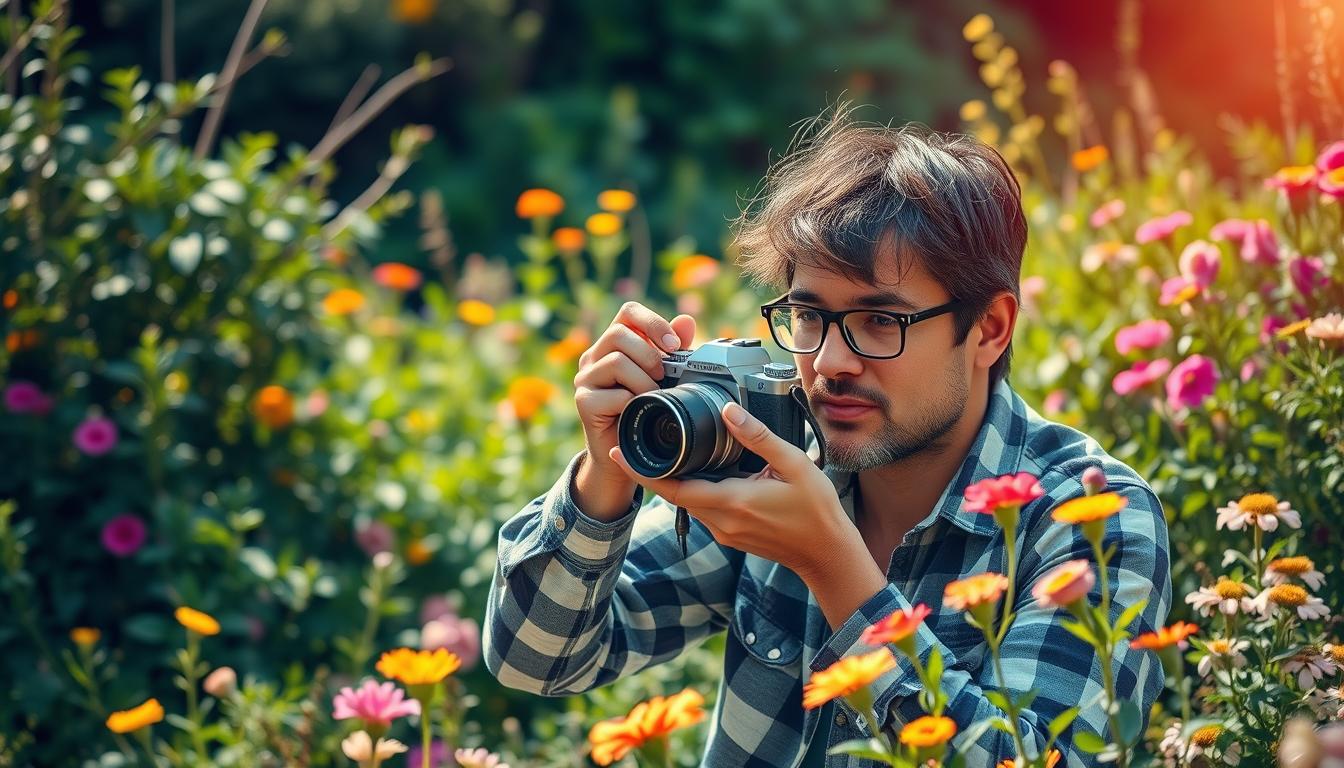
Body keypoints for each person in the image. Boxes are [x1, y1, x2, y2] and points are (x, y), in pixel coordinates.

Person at [483, 109, 1171, 767]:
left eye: (879, 321)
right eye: (809, 317)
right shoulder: (780, 464)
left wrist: (835, 570)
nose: (832, 362)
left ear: (989, 329)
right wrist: (607, 473)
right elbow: (537, 659)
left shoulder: (1090, 517)